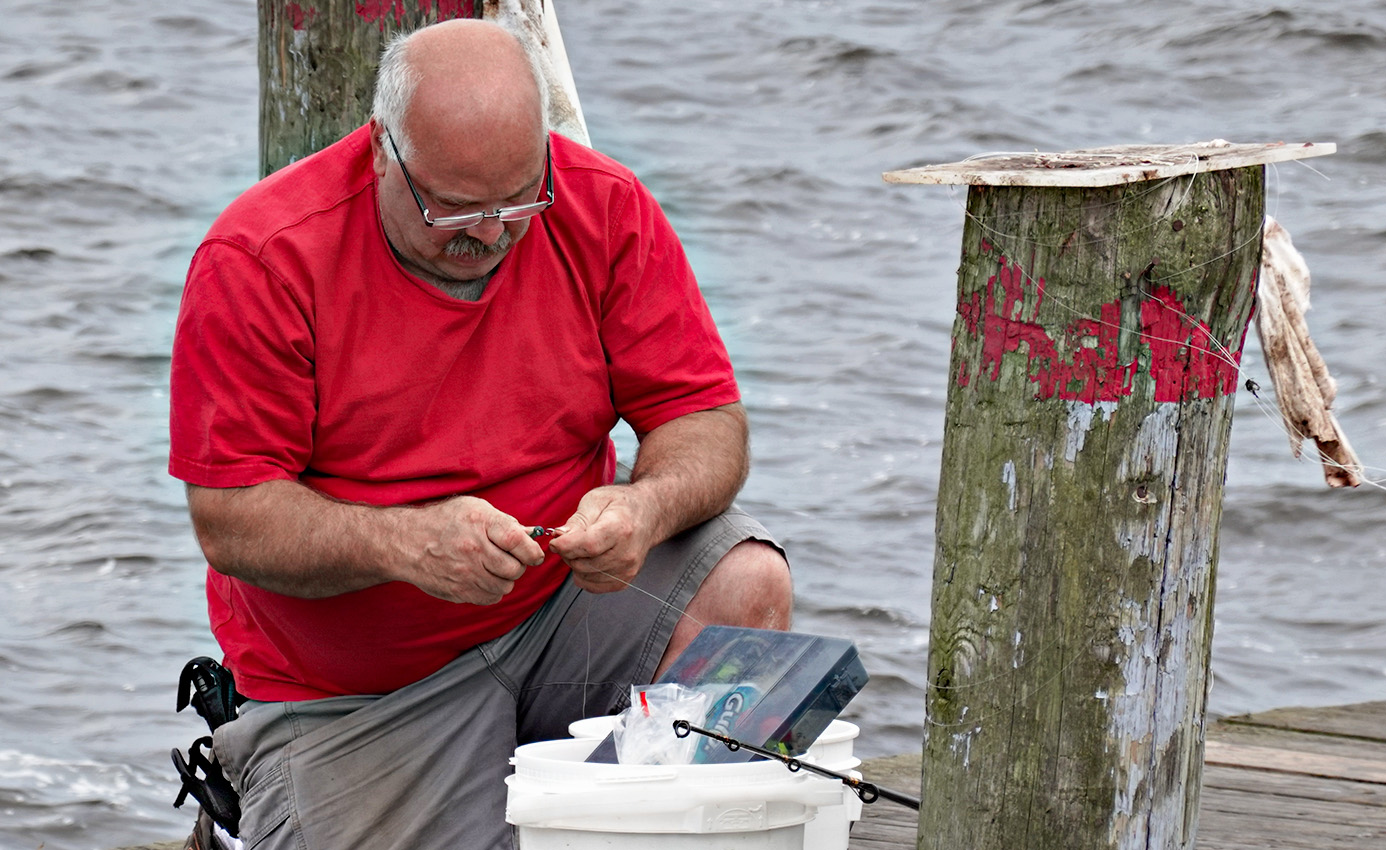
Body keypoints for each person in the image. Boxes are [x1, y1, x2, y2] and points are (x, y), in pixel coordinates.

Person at [167, 17, 792, 850]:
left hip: (560, 616)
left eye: (518, 201)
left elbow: (705, 419)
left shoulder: (600, 203)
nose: (491, 233)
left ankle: (649, 830)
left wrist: (644, 508)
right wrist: (406, 546)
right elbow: (231, 519)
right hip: (359, 693)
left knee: (746, 581)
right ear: (383, 150)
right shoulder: (261, 259)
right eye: (455, 207)